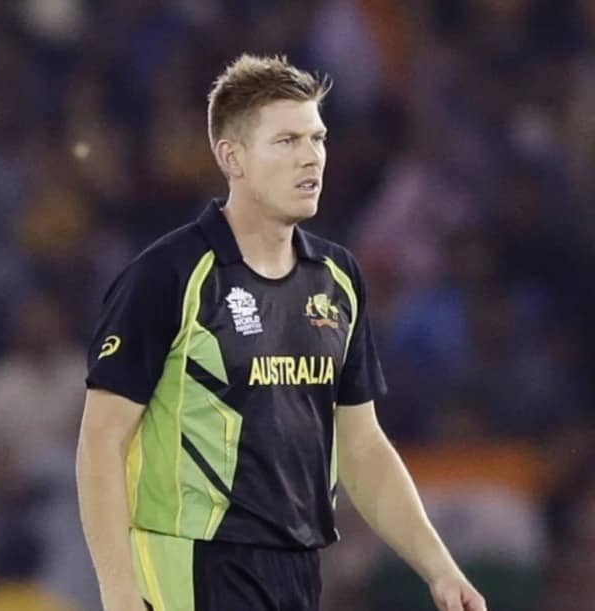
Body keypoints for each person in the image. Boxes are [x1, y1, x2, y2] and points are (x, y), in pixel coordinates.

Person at [76, 54, 487, 611]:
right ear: (232, 157)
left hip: (297, 568)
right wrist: (118, 590)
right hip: (190, 564)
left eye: (317, 138)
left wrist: (439, 569)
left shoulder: (337, 278)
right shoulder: (169, 274)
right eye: (287, 141)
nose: (311, 157)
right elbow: (102, 441)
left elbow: (362, 445)